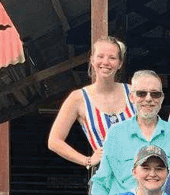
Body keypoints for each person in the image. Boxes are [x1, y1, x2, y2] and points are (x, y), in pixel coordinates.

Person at [85, 70, 170, 195]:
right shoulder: (115, 133)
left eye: (155, 94)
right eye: (141, 93)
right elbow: (102, 182)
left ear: (162, 98)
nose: (148, 99)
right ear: (131, 97)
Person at [47, 37, 133, 171]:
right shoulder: (78, 98)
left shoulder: (133, 92)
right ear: (92, 60)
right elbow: (54, 141)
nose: (106, 62)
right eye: (100, 56)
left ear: (120, 63)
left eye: (112, 58)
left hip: (138, 175)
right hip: (105, 177)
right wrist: (87, 160)